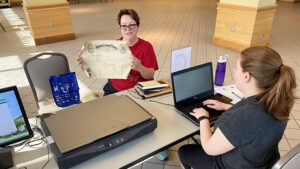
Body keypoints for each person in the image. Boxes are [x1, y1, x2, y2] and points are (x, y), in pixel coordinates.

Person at [178, 46, 297, 169]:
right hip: (263, 162)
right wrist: (225, 106)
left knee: (183, 151)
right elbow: (252, 122)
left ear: (246, 76)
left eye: (236, 67)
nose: (234, 70)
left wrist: (203, 118)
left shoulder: (240, 119)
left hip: (231, 165)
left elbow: (209, 148)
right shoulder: (279, 102)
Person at [76, 9, 158, 96]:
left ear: (138, 26)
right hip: (114, 89)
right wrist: (84, 65)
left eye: (132, 25)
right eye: (124, 26)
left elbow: (150, 75)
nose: (128, 29)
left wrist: (140, 67)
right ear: (120, 27)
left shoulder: (146, 47)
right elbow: (99, 67)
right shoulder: (114, 46)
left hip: (138, 91)